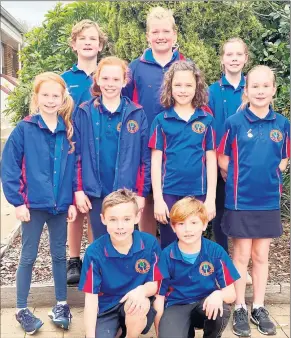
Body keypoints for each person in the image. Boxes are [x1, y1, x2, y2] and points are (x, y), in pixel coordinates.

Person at [1, 72, 77, 334]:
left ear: (63, 98)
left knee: (59, 255)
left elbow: (72, 170)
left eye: (55, 95)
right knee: (29, 256)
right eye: (45, 95)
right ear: (36, 97)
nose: (50, 100)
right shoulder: (25, 129)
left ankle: (61, 304)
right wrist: (17, 202)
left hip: (59, 206)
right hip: (32, 205)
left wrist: (71, 201)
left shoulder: (67, 130)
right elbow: (9, 167)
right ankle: (22, 308)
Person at [217, 65, 290, 336]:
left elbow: (284, 157)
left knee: (261, 256)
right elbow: (222, 157)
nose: (260, 91)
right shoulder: (234, 123)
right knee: (241, 256)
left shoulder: (282, 124)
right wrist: (237, 177)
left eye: (265, 86)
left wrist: (274, 171)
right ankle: (239, 307)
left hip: (268, 201)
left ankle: (258, 305)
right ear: (246, 91)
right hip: (240, 201)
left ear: (273, 90)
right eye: (254, 87)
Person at [123, 6, 187, 236]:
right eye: (155, 32)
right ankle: (150, 251)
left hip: (179, 142)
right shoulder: (135, 67)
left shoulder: (185, 65)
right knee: (148, 197)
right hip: (146, 142)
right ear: (148, 36)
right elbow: (125, 105)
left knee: (175, 196)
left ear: (174, 34)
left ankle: (174, 253)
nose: (161, 36)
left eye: (166, 31)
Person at [74, 56, 151, 241]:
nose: (110, 84)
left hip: (127, 192)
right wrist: (78, 190)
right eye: (106, 78)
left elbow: (145, 158)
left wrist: (141, 194)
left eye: (116, 79)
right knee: (101, 241)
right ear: (98, 79)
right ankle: (98, 270)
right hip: (96, 191)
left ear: (124, 81)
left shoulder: (136, 113)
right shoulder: (84, 112)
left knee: (127, 241)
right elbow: (75, 155)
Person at [149, 60, 217, 249]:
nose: (183, 90)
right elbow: (155, 161)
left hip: (198, 192)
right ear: (169, 87)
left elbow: (211, 161)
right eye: (177, 85)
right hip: (169, 192)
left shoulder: (207, 120)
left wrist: (210, 198)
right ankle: (169, 279)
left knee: (195, 242)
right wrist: (158, 199)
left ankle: (194, 279)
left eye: (188, 85)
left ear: (197, 88)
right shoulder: (161, 120)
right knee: (170, 244)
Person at [78, 189, 162, 338]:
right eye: (113, 219)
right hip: (106, 308)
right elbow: (91, 299)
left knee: (138, 304)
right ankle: (118, 329)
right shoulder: (94, 252)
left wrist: (141, 291)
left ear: (137, 217)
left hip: (136, 303)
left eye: (126, 219)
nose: (120, 226)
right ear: (103, 219)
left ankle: (130, 334)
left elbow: (156, 284)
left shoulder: (149, 244)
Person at [61, 19, 108, 285]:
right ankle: (73, 259)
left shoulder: (107, 76)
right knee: (75, 209)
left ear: (100, 45)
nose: (88, 42)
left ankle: (94, 256)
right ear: (74, 44)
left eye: (93, 38)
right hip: (72, 152)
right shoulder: (66, 80)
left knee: (95, 206)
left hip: (101, 153)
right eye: (83, 38)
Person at [154, 197, 240, 338]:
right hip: (177, 305)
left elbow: (231, 294)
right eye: (181, 224)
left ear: (204, 224)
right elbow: (159, 297)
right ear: (173, 227)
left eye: (194, 222)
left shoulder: (216, 252)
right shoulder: (167, 255)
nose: (188, 229)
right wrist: (160, 332)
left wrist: (218, 294)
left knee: (221, 309)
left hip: (204, 303)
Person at [208, 37, 248, 254]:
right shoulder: (211, 92)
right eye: (229, 54)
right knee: (221, 212)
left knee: (243, 215)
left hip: (246, 164)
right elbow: (208, 130)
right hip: (218, 164)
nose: (234, 59)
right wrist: (220, 164)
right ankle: (222, 261)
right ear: (222, 59)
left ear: (245, 58)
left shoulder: (253, 90)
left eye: (238, 54)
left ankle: (241, 263)